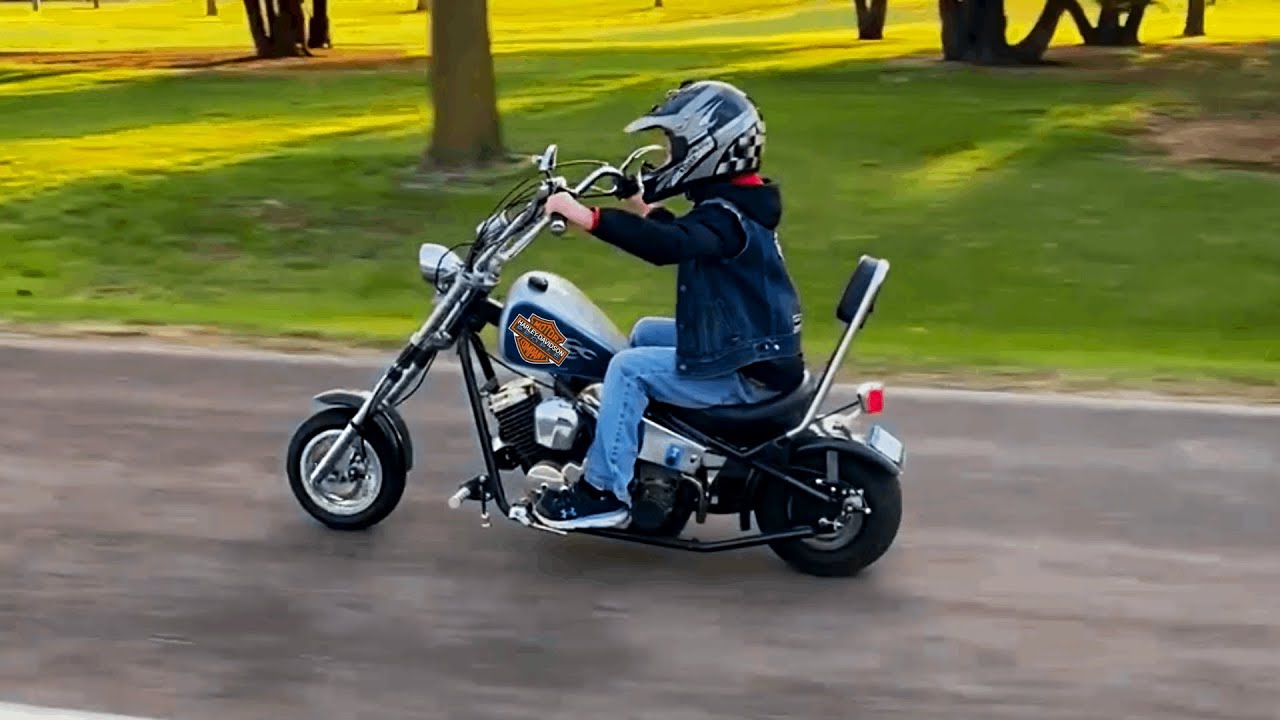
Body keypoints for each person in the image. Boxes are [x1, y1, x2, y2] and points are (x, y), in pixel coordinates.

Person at [531, 79, 806, 530]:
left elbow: (669, 245)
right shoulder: (737, 203)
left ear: (709, 149)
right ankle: (644, 458)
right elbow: (686, 234)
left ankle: (602, 490)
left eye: (675, 148)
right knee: (642, 334)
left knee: (628, 368)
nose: (668, 158)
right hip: (752, 347)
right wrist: (641, 205)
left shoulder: (727, 217)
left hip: (749, 371)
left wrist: (588, 218)